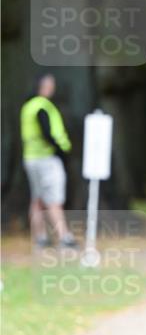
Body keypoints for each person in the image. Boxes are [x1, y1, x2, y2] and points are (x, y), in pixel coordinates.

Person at [20, 74, 76, 248]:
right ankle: (64, 237)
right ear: (42, 86)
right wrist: (60, 151)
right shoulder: (43, 106)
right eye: (50, 84)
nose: (52, 88)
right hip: (47, 159)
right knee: (54, 199)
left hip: (30, 158)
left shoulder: (27, 106)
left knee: (37, 199)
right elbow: (47, 133)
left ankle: (40, 238)